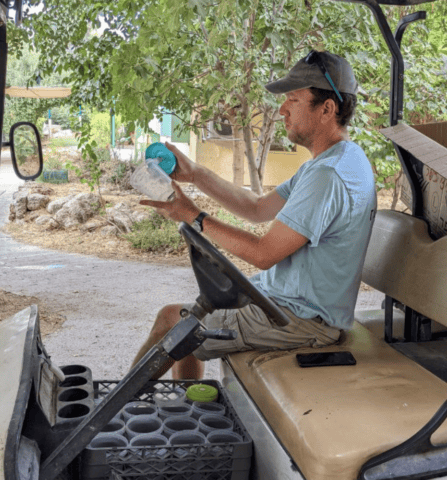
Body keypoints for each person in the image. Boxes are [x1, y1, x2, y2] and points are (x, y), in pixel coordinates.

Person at [132, 50, 377, 380]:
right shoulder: (337, 160)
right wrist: (195, 174)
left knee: (172, 323)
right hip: (289, 303)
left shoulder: (327, 175)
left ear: (327, 109)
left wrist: (191, 214)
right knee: (183, 321)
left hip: (301, 321)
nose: (282, 109)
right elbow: (257, 209)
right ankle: (190, 409)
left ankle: (113, 416)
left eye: (293, 99)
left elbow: (264, 254)